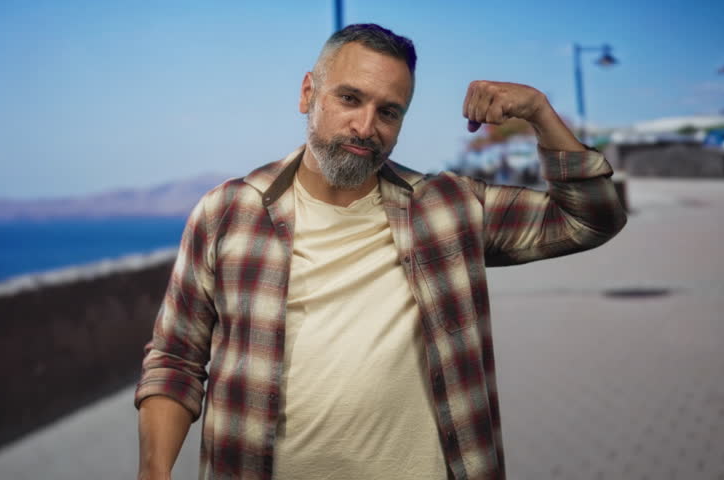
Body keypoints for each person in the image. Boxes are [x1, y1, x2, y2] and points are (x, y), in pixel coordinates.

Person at [135, 23, 627, 480]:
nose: (366, 126)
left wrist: (540, 113)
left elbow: (590, 219)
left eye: (388, 111)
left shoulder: (447, 208)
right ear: (309, 93)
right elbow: (176, 357)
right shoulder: (228, 213)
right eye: (349, 98)